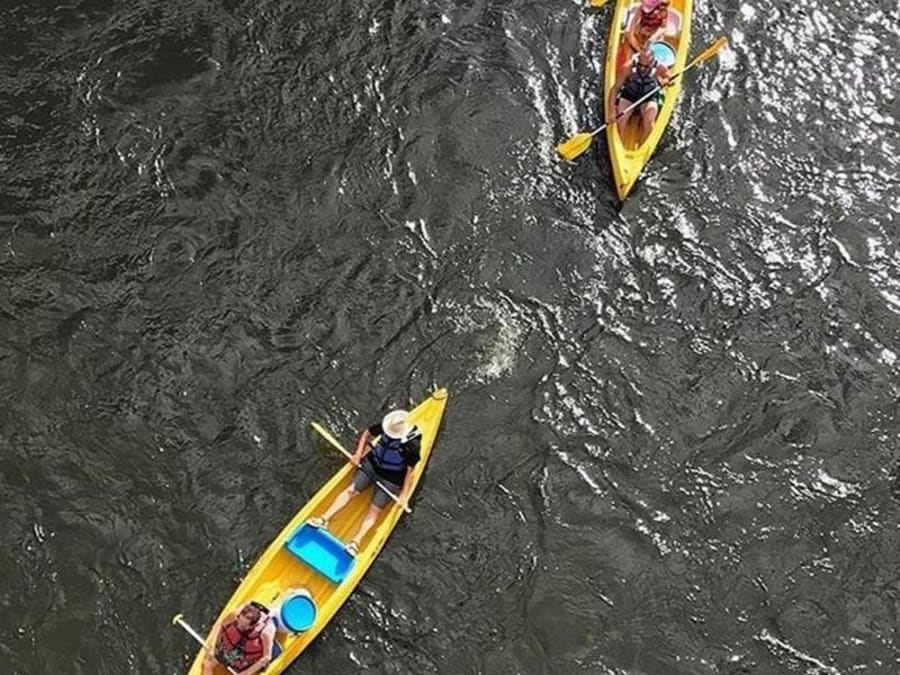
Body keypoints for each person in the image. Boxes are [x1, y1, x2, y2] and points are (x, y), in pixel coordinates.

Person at [308, 409, 421, 556]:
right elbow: (367, 434)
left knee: (374, 510)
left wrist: (404, 496)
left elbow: (409, 471)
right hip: (371, 465)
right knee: (351, 491)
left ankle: (355, 542)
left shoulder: (412, 444)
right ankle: (323, 519)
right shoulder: (387, 426)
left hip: (391, 478)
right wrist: (358, 454)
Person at [607, 45, 672, 144]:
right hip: (630, 95)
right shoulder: (628, 67)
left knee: (649, 121)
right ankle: (620, 143)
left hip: (648, 96)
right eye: (640, 65)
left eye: (646, 66)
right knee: (620, 120)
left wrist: (665, 81)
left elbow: (670, 78)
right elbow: (614, 89)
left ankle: (643, 144)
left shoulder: (660, 67)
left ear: (652, 62)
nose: (642, 68)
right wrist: (611, 112)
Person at [203, 601, 276, 675]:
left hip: (247, 661)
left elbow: (267, 657)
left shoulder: (267, 631)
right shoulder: (235, 615)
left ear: (252, 626)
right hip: (230, 651)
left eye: (243, 626)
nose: (239, 626)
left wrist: (246, 673)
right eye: (238, 622)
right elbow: (220, 625)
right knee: (207, 664)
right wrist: (212, 647)